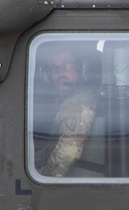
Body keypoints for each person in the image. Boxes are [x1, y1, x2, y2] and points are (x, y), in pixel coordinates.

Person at [36, 45, 98, 177]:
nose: (60, 73)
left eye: (67, 66)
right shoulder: (66, 102)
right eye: (54, 68)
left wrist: (43, 177)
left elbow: (68, 153)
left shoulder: (75, 104)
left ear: (81, 70)